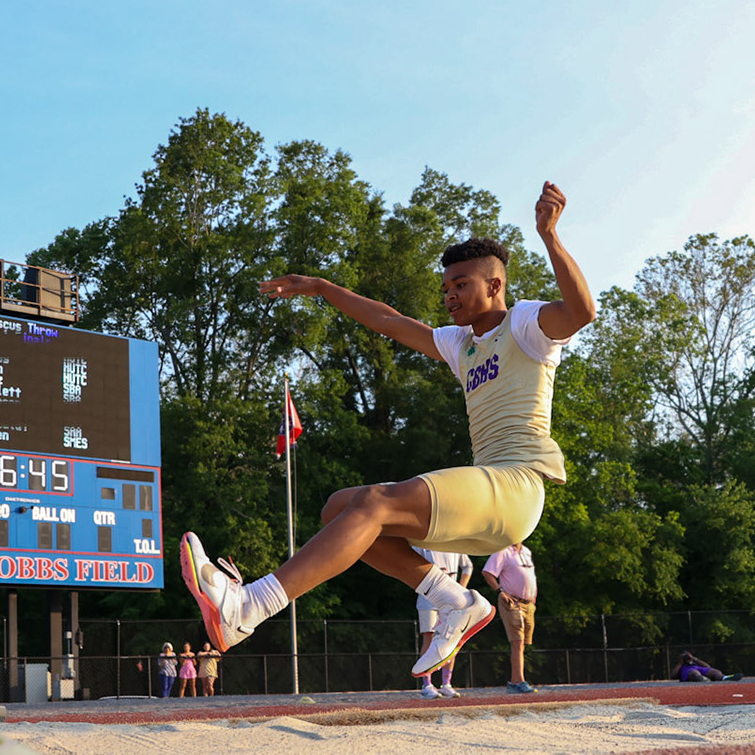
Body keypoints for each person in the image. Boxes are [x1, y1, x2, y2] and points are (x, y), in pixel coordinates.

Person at [179, 182, 596, 691]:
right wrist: (322, 287)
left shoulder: (524, 324)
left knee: (374, 503)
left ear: (495, 285)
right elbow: (390, 321)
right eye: (445, 288)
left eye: (460, 285)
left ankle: (249, 606)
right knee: (340, 508)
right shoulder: (460, 345)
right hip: (487, 504)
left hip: (517, 487)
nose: (449, 296)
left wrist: (550, 237)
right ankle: (454, 599)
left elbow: (581, 312)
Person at [481, 541, 540, 694]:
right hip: (512, 602)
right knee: (517, 641)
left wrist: (533, 596)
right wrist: (500, 591)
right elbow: (488, 572)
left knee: (523, 643)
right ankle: (520, 680)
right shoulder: (502, 550)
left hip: (528, 603)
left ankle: (514, 682)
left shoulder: (526, 551)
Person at [415, 547, 473, 698]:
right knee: (429, 637)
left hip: (451, 599)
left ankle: (446, 684)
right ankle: (427, 684)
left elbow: (467, 565)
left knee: (450, 639)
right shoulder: (422, 544)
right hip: (428, 599)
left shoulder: (453, 543)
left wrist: (461, 587)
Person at [673, 651, 741, 682]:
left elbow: (707, 666)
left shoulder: (694, 662)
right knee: (693, 672)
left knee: (714, 671)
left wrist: (694, 659)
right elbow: (673, 675)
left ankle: (725, 677)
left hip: (699, 668)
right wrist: (680, 662)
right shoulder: (681, 666)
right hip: (688, 671)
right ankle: (703, 679)